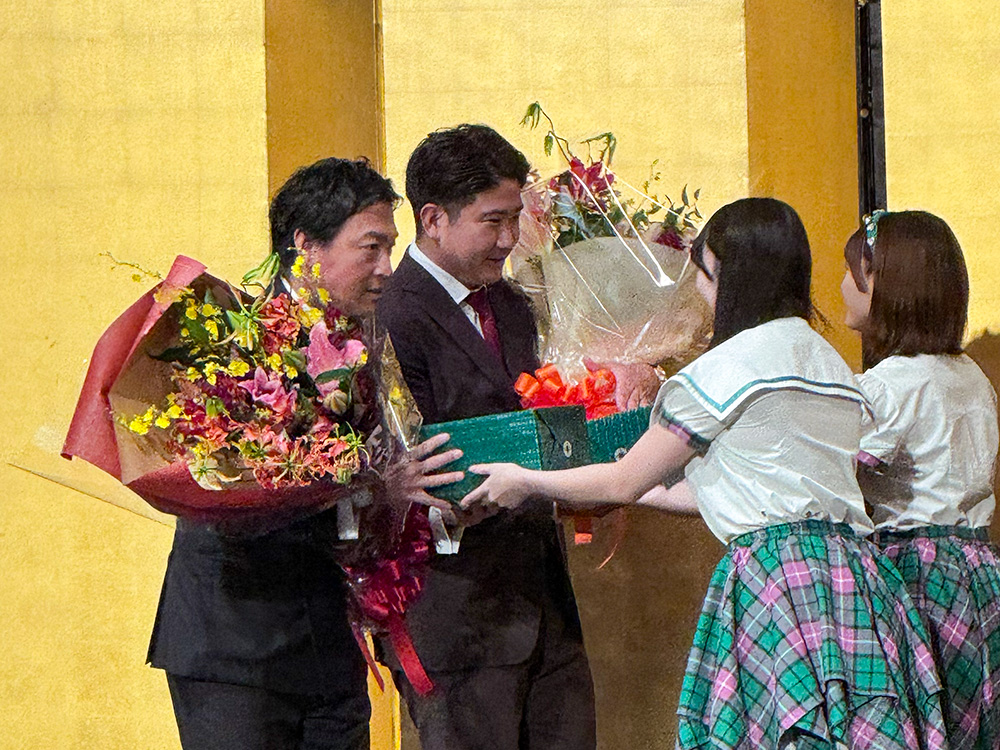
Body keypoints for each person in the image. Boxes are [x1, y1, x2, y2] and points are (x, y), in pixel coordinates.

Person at [462, 198, 949, 749]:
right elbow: (740, 488)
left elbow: (622, 481)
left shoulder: (726, 369)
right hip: (853, 576)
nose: (695, 286)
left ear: (724, 271)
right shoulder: (828, 362)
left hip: (777, 583)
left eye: (701, 269)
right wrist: (640, 490)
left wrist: (526, 478)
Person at [147, 157, 462, 750]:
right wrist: (374, 485)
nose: (386, 268)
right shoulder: (237, 345)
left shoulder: (367, 343)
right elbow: (238, 485)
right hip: (235, 643)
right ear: (306, 245)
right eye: (370, 248)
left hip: (329, 640)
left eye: (390, 247)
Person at [375, 124, 597, 750]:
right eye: (492, 222)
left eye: (515, 219)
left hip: (545, 606)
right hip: (455, 615)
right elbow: (397, 465)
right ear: (433, 219)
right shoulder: (392, 315)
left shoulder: (515, 306)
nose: (508, 240)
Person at [843, 210, 1000, 749]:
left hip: (916, 572)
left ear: (885, 285)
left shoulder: (890, 385)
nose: (842, 284)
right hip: (980, 569)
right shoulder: (972, 376)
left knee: (917, 718)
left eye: (854, 272)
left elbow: (834, 469)